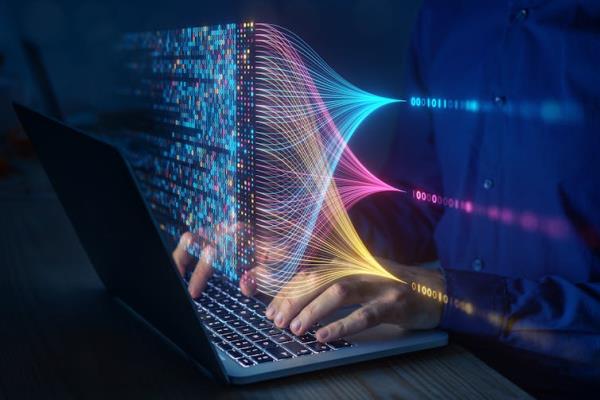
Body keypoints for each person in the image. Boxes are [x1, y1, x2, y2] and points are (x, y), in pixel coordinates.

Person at [173, 1, 600, 397]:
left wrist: (452, 296)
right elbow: (419, 204)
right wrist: (306, 243)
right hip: (445, 358)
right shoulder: (449, 13)